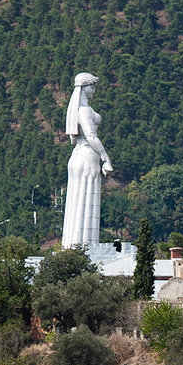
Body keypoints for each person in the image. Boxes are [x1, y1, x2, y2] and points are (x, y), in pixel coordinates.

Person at [62, 72, 113, 247]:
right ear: (84, 89)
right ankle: (82, 248)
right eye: (92, 87)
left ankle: (78, 247)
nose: (94, 91)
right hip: (87, 156)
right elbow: (91, 136)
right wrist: (106, 158)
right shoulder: (84, 111)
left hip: (79, 155)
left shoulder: (80, 110)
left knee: (81, 203)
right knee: (84, 203)